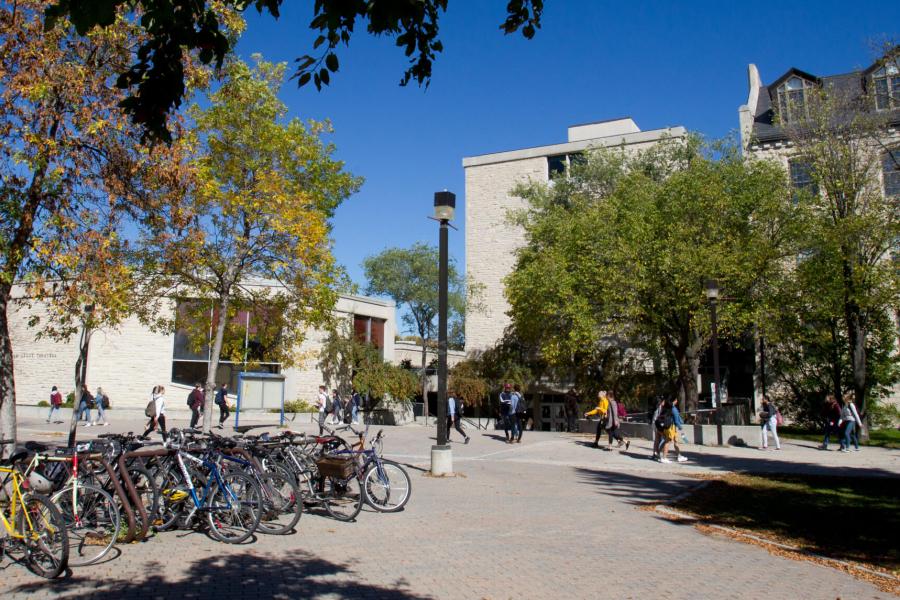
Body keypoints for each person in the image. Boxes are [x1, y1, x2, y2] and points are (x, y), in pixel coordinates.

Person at [657, 398, 688, 463]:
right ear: (674, 400)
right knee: (668, 441)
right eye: (676, 400)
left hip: (667, 426)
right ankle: (664, 457)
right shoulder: (673, 408)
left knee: (674, 441)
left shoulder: (667, 407)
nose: (677, 401)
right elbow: (676, 420)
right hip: (671, 427)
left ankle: (679, 456)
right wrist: (680, 427)